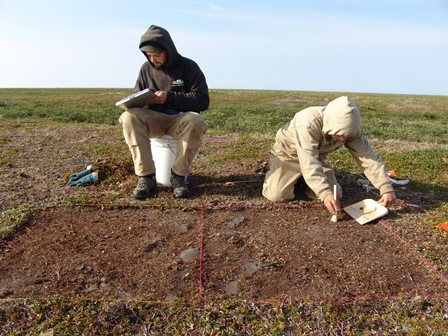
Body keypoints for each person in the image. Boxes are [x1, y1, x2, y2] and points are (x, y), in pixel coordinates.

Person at [262, 96, 396, 215]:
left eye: (346, 136)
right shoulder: (308, 122)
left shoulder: (350, 130)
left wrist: (385, 187)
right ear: (331, 125)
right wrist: (325, 193)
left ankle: (304, 181)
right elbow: (308, 161)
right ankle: (279, 174)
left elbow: (368, 157)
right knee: (277, 195)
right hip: (288, 155)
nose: (343, 140)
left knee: (336, 195)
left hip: (316, 157)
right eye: (339, 135)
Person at [119, 25, 209, 199]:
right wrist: (141, 100)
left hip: (181, 119)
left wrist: (168, 97)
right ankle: (146, 177)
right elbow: (137, 95)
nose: (153, 59)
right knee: (128, 117)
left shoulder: (189, 67)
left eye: (157, 55)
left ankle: (178, 177)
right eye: (149, 56)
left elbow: (202, 100)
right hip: (155, 119)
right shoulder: (146, 68)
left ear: (168, 50)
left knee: (196, 120)